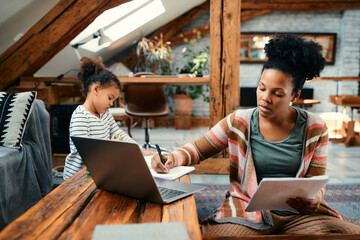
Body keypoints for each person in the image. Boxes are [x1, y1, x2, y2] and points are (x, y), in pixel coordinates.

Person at [151, 34, 360, 235]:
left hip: (298, 216)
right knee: (213, 236)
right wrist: (171, 158)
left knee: (348, 234)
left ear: (295, 95)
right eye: (261, 88)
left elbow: (316, 180)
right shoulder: (239, 121)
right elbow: (197, 149)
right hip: (248, 210)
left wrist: (315, 199)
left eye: (277, 94)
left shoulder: (316, 128)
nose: (265, 98)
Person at [63, 56, 151, 180]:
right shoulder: (80, 116)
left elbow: (119, 132)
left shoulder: (105, 115)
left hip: (97, 174)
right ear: (96, 89)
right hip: (77, 179)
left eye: (113, 100)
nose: (111, 104)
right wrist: (113, 148)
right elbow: (87, 153)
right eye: (110, 98)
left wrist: (139, 150)